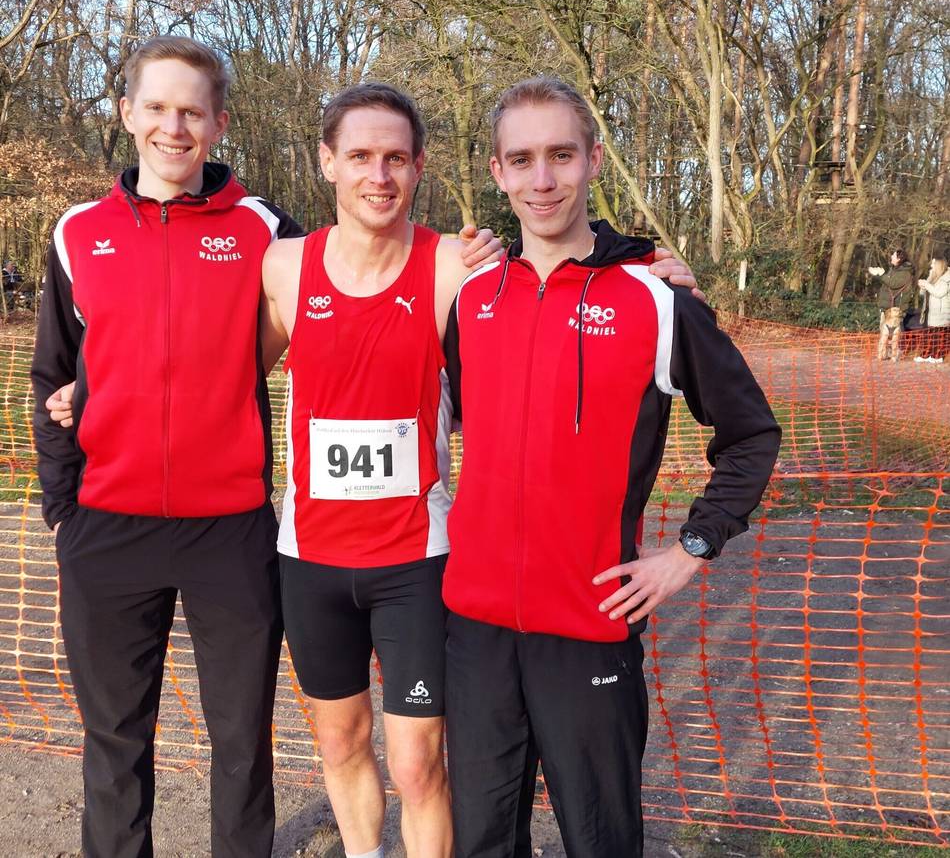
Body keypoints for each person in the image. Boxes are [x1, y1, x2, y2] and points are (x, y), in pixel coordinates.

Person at [31, 42, 500, 858]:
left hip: (235, 529)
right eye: (157, 107)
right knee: (113, 741)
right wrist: (64, 508)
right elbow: (52, 377)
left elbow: (332, 292)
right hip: (108, 526)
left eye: (192, 111)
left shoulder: (264, 234)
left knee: (245, 742)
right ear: (128, 115)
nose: (174, 127)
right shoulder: (78, 234)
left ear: (217, 123)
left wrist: (631, 259)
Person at [258, 82, 703, 858]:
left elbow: (552, 303)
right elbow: (217, 372)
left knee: (419, 765)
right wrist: (84, 388)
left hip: (420, 562)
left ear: (420, 167)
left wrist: (663, 284)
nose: (378, 174)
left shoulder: (459, 271)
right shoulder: (284, 266)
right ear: (326, 161)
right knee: (341, 745)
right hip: (315, 557)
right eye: (360, 155)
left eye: (396, 158)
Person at [441, 77, 782, 857]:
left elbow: (752, 434)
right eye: (522, 159)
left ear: (593, 159)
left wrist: (689, 550)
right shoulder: (471, 298)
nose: (543, 179)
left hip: (590, 623)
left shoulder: (655, 298)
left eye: (561, 154)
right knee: (481, 840)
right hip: (475, 628)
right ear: (497, 172)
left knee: (601, 840)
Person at [868, 249, 914, 362]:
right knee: (884, 333)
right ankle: (883, 354)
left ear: (899, 259)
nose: (891, 256)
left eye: (893, 255)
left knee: (895, 335)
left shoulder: (905, 273)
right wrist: (879, 275)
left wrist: (881, 274)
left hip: (896, 309)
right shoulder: (894, 270)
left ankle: (894, 354)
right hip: (887, 307)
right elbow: (888, 282)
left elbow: (893, 284)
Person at [914, 251, 950, 363]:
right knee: (928, 335)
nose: (931, 266)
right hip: (930, 311)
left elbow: (939, 293)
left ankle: (938, 356)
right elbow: (922, 293)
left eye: (933, 264)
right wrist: (924, 285)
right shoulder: (933, 276)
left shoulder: (947, 278)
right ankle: (926, 354)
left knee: (938, 336)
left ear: (939, 265)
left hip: (941, 312)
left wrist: (927, 285)